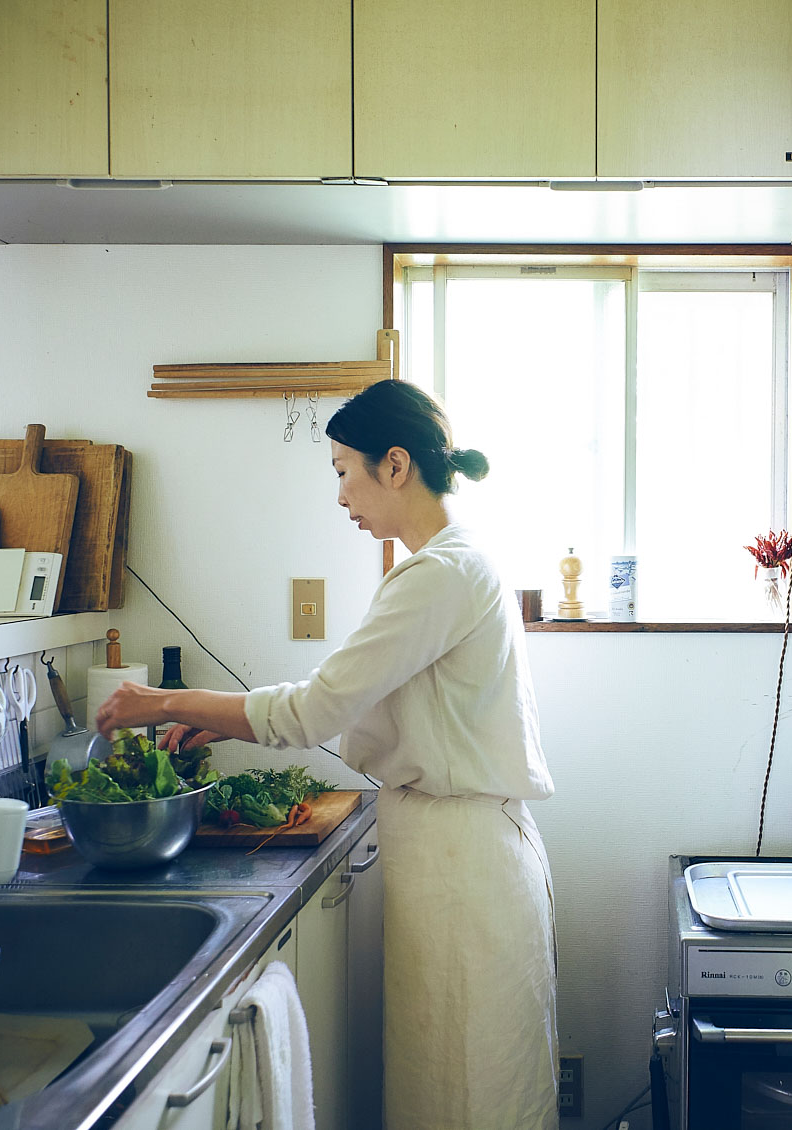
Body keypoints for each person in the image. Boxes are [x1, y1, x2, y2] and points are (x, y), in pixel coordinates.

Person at [95, 379, 559, 1130]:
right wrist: (228, 721)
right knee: (454, 1091)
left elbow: (314, 708)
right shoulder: (451, 565)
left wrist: (165, 702)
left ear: (396, 465)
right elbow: (341, 696)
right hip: (458, 853)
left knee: (468, 1098)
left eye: (345, 470)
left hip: (463, 869)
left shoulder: (439, 574)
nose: (341, 493)